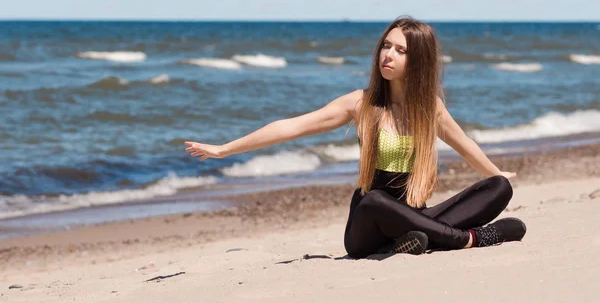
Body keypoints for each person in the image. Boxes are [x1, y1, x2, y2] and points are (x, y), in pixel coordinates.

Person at [184, 16, 527, 259]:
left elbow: (464, 143)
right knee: (375, 200)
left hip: (415, 219)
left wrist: (496, 174)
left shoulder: (430, 109)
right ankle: (467, 240)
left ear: (419, 60)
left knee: (499, 186)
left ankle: (414, 241)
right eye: (386, 46)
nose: (387, 55)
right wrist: (224, 149)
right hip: (367, 229)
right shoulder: (361, 104)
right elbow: (292, 126)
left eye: (400, 50)